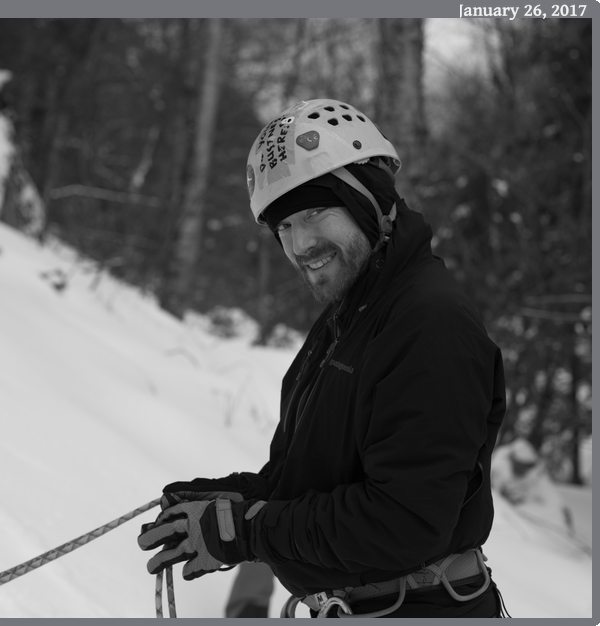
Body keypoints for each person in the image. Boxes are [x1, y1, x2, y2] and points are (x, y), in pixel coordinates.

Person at [138, 99, 508, 618]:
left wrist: (244, 529)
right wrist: (224, 499)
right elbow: (315, 484)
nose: (300, 243)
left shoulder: (430, 324)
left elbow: (401, 522)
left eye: (315, 211)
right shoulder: (352, 316)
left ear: (370, 200)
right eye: (283, 226)